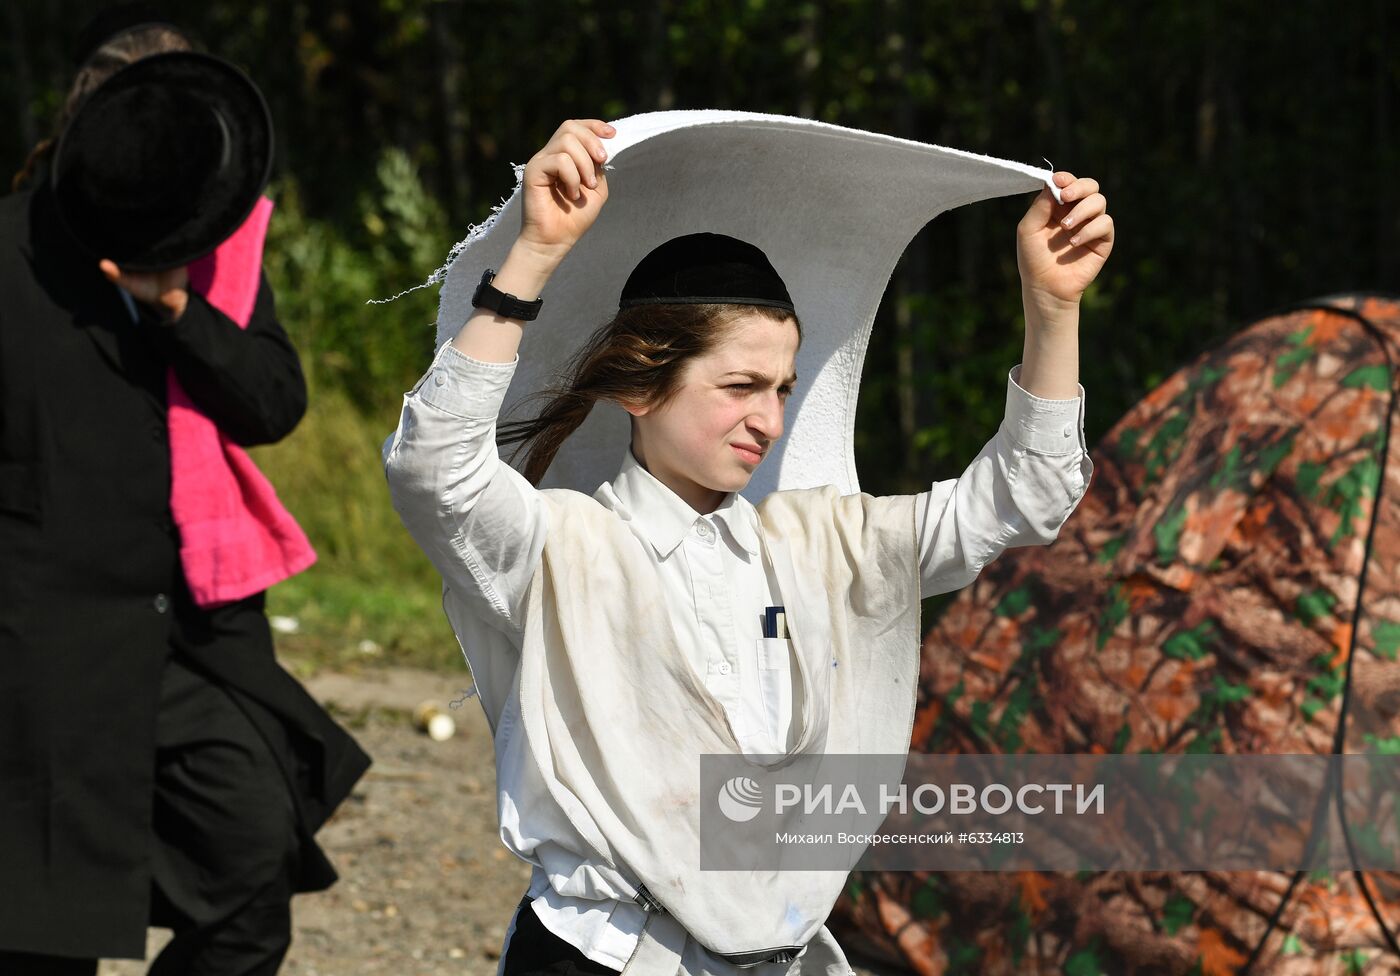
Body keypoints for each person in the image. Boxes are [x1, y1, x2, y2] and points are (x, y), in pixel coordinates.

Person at [384, 118, 1111, 974]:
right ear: (642, 382)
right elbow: (434, 466)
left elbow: (1028, 491)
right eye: (739, 386)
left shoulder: (822, 547)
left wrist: (1052, 310)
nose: (768, 418)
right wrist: (535, 255)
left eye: (782, 389)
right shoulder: (561, 548)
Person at [0, 8, 369, 975]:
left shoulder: (214, 248)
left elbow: (270, 402)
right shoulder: (12, 256)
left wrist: (177, 308)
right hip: (44, 658)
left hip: (194, 638)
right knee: (45, 938)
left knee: (252, 874)